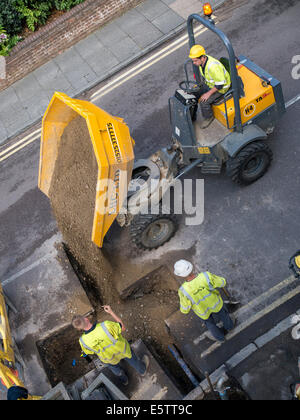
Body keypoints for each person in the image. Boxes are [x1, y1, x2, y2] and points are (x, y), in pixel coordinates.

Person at [72, 305, 149, 385]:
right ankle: (142, 370)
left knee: (114, 368)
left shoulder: (82, 341)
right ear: (86, 319)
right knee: (132, 359)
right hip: (122, 350)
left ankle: (124, 380)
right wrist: (111, 312)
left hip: (108, 358)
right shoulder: (105, 325)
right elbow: (122, 328)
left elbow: (89, 352)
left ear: (79, 329)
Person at [174, 259, 234, 342]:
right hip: (215, 303)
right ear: (191, 267)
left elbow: (185, 309)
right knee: (224, 315)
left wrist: (185, 309)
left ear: (180, 275)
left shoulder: (183, 290)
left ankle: (220, 338)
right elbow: (222, 282)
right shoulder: (205, 276)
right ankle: (230, 327)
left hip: (202, 311)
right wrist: (222, 281)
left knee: (210, 324)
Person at [189, 44, 231, 128]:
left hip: (221, 88)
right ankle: (191, 115)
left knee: (203, 102)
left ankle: (209, 117)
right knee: (193, 94)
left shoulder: (213, 67)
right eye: (193, 61)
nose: (194, 63)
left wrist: (208, 94)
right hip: (210, 84)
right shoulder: (202, 62)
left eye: (195, 61)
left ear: (202, 57)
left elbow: (220, 85)